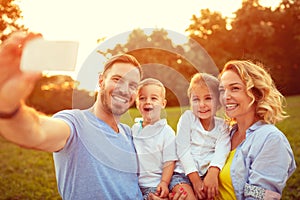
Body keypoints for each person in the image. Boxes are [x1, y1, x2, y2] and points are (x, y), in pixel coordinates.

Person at [0, 32, 188, 200]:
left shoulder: (131, 134)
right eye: (117, 79)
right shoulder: (75, 123)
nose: (124, 89)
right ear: (100, 81)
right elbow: (35, 132)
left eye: (132, 85)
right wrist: (7, 106)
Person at [217, 60, 296, 200]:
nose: (225, 96)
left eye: (234, 88)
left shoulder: (270, 139)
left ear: (256, 93)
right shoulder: (224, 134)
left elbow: (258, 196)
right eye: (222, 90)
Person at [174, 73, 230, 200]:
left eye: (208, 98)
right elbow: (183, 150)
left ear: (219, 103)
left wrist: (213, 172)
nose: (201, 104)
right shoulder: (187, 118)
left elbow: (222, 151)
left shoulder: (223, 126)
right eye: (196, 99)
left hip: (207, 176)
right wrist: (195, 181)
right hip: (182, 175)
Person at [132, 78, 178, 199]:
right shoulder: (134, 128)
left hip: (154, 185)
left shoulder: (166, 132)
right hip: (133, 184)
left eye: (154, 98)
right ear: (137, 103)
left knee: (151, 197)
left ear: (163, 104)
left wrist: (164, 182)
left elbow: (169, 161)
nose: (148, 102)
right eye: (142, 98)